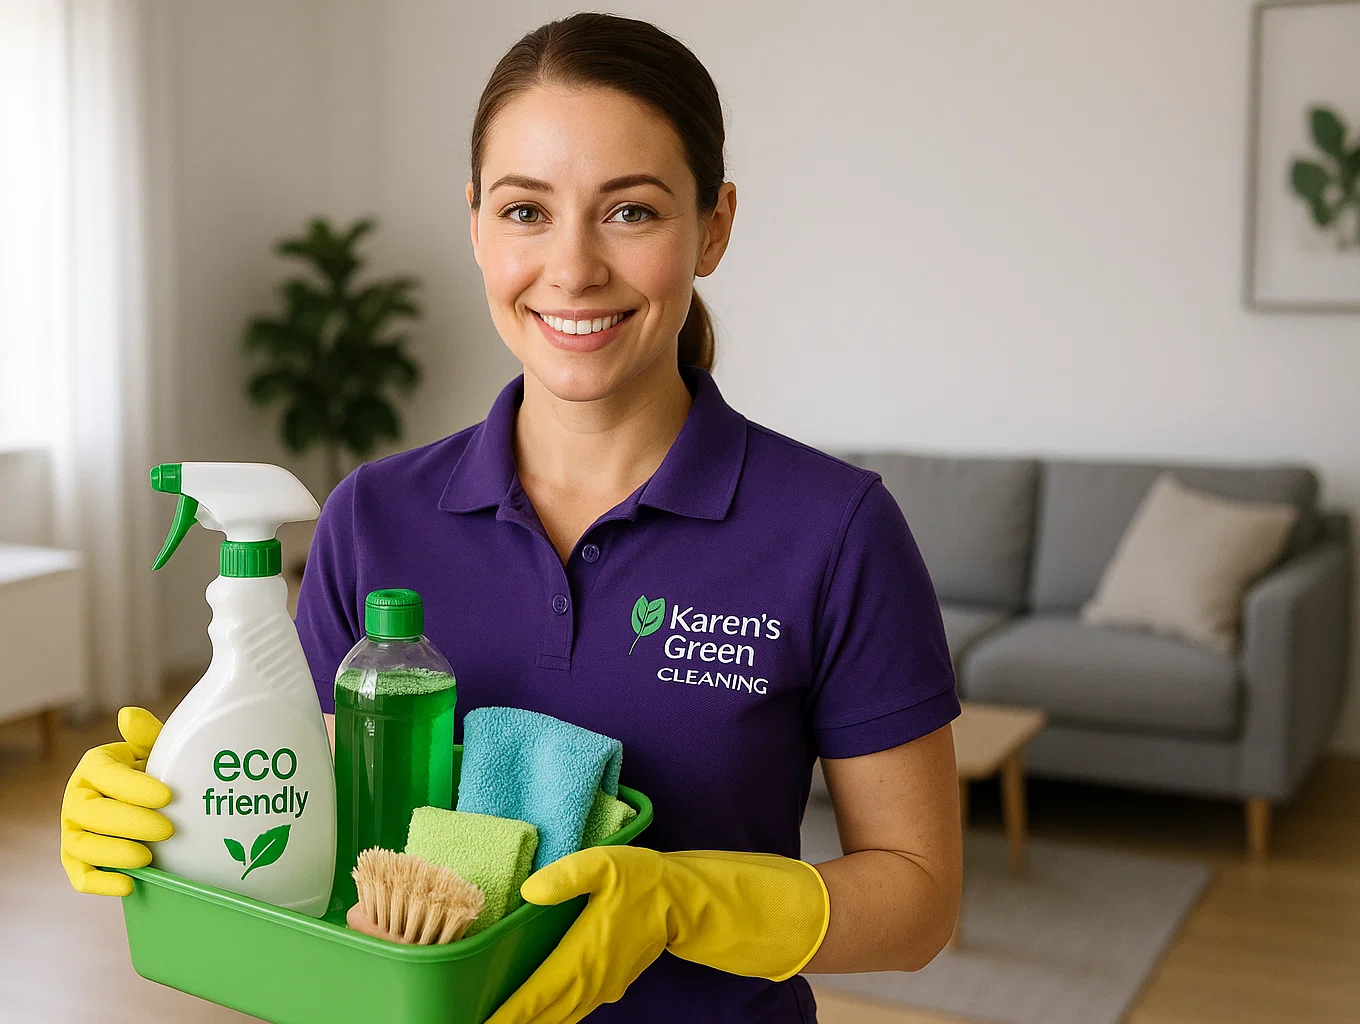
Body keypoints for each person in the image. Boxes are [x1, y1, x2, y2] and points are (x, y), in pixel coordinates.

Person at [60, 13, 962, 1024]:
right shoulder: (374, 516)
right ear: (478, 224)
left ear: (713, 225)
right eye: (526, 211)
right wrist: (173, 814)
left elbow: (920, 899)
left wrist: (680, 903)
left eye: (631, 212)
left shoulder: (834, 532)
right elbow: (302, 843)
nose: (572, 268)